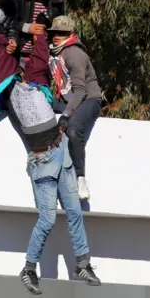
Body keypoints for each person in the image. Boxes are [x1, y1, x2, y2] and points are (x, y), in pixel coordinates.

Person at [0, 14, 101, 295]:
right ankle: (29, 268)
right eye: (19, 61)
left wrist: (39, 34)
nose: (23, 64)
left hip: (61, 153)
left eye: (25, 61)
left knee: (74, 212)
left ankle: (83, 263)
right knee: (47, 219)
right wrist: (8, 42)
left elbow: (42, 56)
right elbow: (3, 61)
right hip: (42, 161)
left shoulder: (36, 82)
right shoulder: (8, 92)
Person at [47, 16, 102, 200]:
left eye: (61, 33)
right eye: (54, 32)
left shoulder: (74, 54)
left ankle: (80, 179)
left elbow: (80, 92)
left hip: (89, 99)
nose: (56, 36)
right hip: (70, 99)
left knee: (73, 130)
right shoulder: (57, 53)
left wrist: (65, 114)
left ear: (70, 34)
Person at [13, 0, 66, 68]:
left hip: (42, 57)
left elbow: (59, 29)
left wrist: (45, 37)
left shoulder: (58, 1)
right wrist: (26, 28)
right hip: (16, 56)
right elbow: (5, 21)